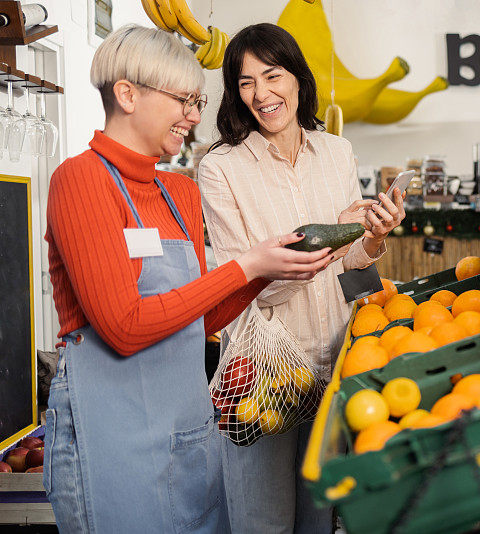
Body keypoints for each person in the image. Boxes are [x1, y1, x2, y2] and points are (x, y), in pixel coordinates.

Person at [42, 25, 333, 534]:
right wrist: (245, 266)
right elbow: (124, 327)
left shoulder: (179, 190)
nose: (195, 116)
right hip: (110, 439)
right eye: (183, 100)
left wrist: (269, 269)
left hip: (186, 435)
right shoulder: (80, 179)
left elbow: (199, 321)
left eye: (198, 101)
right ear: (127, 94)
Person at [198, 23, 405, 534]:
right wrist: (325, 248)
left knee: (317, 523)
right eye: (246, 82)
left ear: (296, 77)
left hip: (333, 363)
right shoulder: (221, 167)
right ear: (234, 91)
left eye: (273, 75)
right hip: (262, 375)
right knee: (262, 525)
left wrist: (373, 237)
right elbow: (238, 279)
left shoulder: (336, 152)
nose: (262, 94)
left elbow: (353, 256)